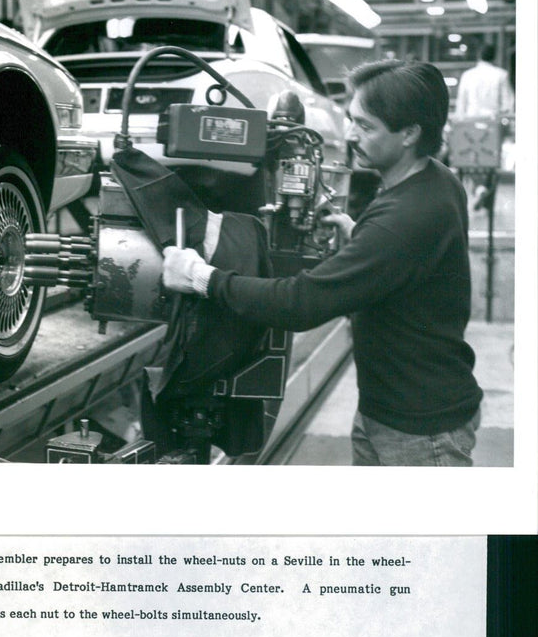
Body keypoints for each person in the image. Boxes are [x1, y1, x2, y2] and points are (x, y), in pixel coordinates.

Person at [162, 59, 484, 466]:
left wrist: (199, 276)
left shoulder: (404, 220)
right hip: (391, 411)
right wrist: (361, 240)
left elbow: (301, 304)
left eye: (366, 127)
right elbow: (405, 261)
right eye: (351, 120)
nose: (349, 135)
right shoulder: (436, 180)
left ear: (410, 133)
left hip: (422, 435)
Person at [455, 42, 515, 209]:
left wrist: (460, 121)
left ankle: (477, 188)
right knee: (490, 160)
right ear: (494, 56)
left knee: (471, 159)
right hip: (491, 124)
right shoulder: (501, 75)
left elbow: (461, 103)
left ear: (478, 56)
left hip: (469, 123)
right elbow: (508, 103)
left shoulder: (468, 75)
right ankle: (486, 196)